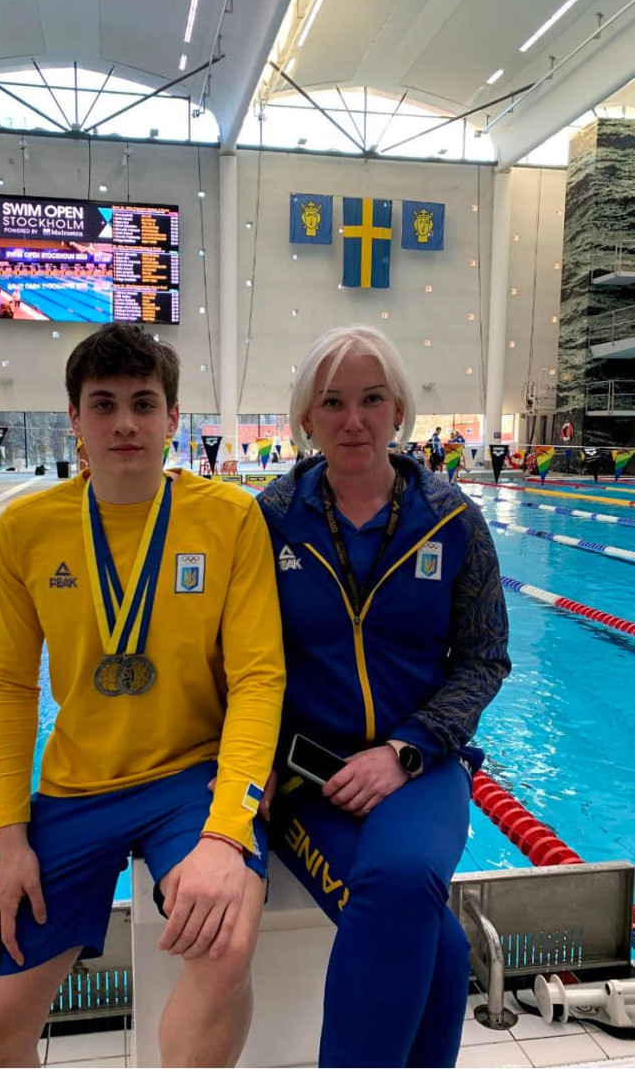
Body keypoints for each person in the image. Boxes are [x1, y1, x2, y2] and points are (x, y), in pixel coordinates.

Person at [0, 322, 284, 1068]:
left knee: (226, 942)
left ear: (173, 418)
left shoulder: (230, 517)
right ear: (74, 419)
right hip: (77, 786)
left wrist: (226, 832)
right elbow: (9, 683)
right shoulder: (28, 528)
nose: (123, 423)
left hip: (190, 777)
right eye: (103, 404)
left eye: (143, 403)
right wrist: (10, 839)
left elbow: (258, 678)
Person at [257, 326, 511, 1068]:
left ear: (398, 409)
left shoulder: (453, 520)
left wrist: (405, 750)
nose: (353, 421)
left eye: (371, 399)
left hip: (420, 765)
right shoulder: (271, 519)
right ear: (306, 417)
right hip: (308, 775)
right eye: (332, 403)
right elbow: (237, 659)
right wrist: (252, 760)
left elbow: (484, 658)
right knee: (443, 949)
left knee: (402, 877)